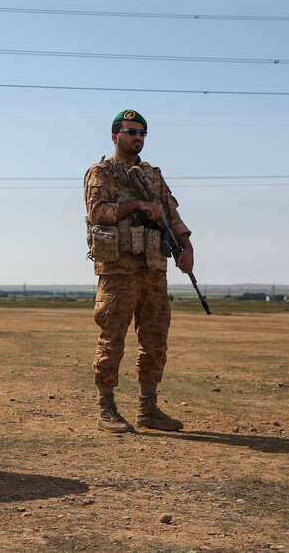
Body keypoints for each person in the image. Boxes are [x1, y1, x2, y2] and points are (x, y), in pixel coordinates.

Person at [84, 109, 194, 433]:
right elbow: (96, 212)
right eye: (131, 132)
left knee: (155, 339)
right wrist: (136, 206)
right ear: (115, 136)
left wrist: (187, 246)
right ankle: (106, 409)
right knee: (112, 339)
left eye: (143, 133)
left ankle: (149, 409)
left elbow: (171, 214)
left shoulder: (153, 176)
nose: (138, 138)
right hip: (118, 270)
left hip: (153, 269)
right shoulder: (101, 173)